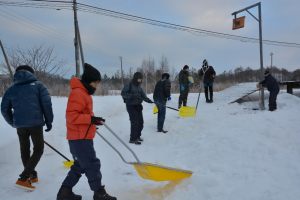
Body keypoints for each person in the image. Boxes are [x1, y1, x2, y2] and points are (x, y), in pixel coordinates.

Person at [57, 63, 116, 200]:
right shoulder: (78, 93)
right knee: (92, 164)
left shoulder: (83, 93)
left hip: (80, 137)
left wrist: (93, 120)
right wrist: (90, 119)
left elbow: (82, 115)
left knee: (80, 165)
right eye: (96, 82)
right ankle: (99, 193)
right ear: (89, 81)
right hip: (79, 139)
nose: (97, 86)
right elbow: (71, 117)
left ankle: (64, 193)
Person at [1, 65, 53, 190]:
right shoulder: (39, 86)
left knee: (25, 149)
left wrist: (13, 122)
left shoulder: (11, 89)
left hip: (20, 125)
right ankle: (24, 178)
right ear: (31, 73)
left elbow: (4, 109)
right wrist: (49, 121)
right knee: (39, 149)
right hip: (35, 124)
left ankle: (32, 174)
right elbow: (46, 105)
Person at [121, 72, 153, 145]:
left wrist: (149, 101)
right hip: (130, 106)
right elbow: (123, 93)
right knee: (134, 122)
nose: (140, 81)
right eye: (139, 79)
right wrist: (132, 96)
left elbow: (144, 96)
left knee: (141, 122)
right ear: (135, 78)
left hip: (138, 106)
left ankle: (137, 136)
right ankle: (132, 139)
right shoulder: (129, 85)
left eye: (141, 80)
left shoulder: (139, 87)